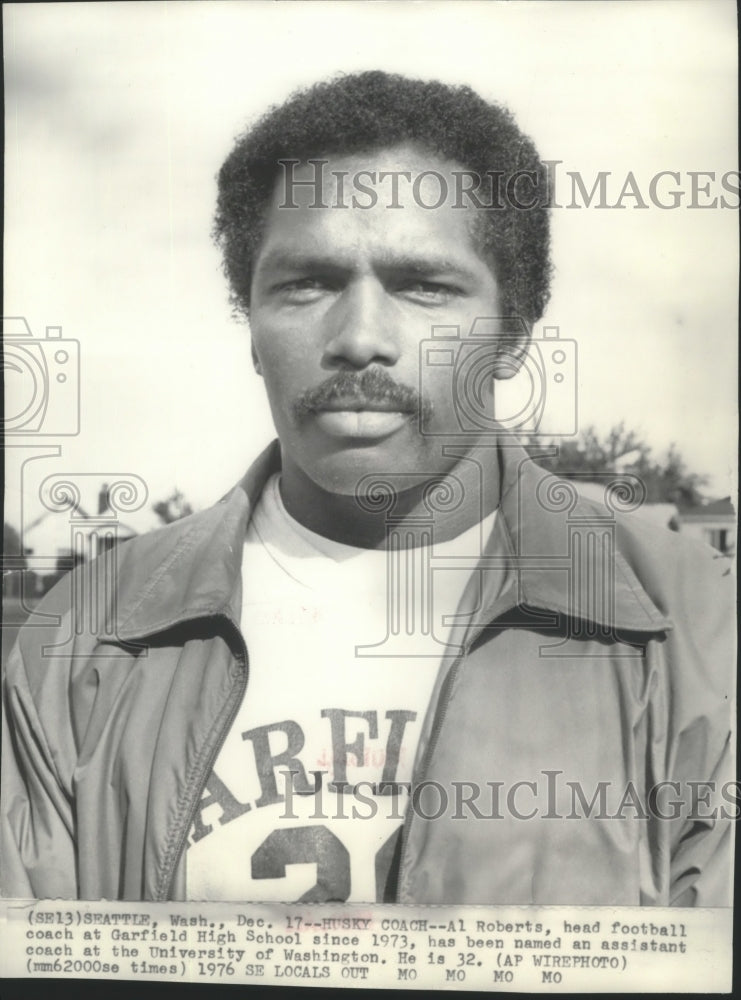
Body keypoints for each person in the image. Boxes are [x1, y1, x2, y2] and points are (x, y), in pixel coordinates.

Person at [1, 71, 734, 905]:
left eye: (424, 285)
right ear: (250, 324)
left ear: (514, 334)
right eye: (305, 283)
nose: (357, 338)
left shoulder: (700, 627)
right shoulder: (82, 636)